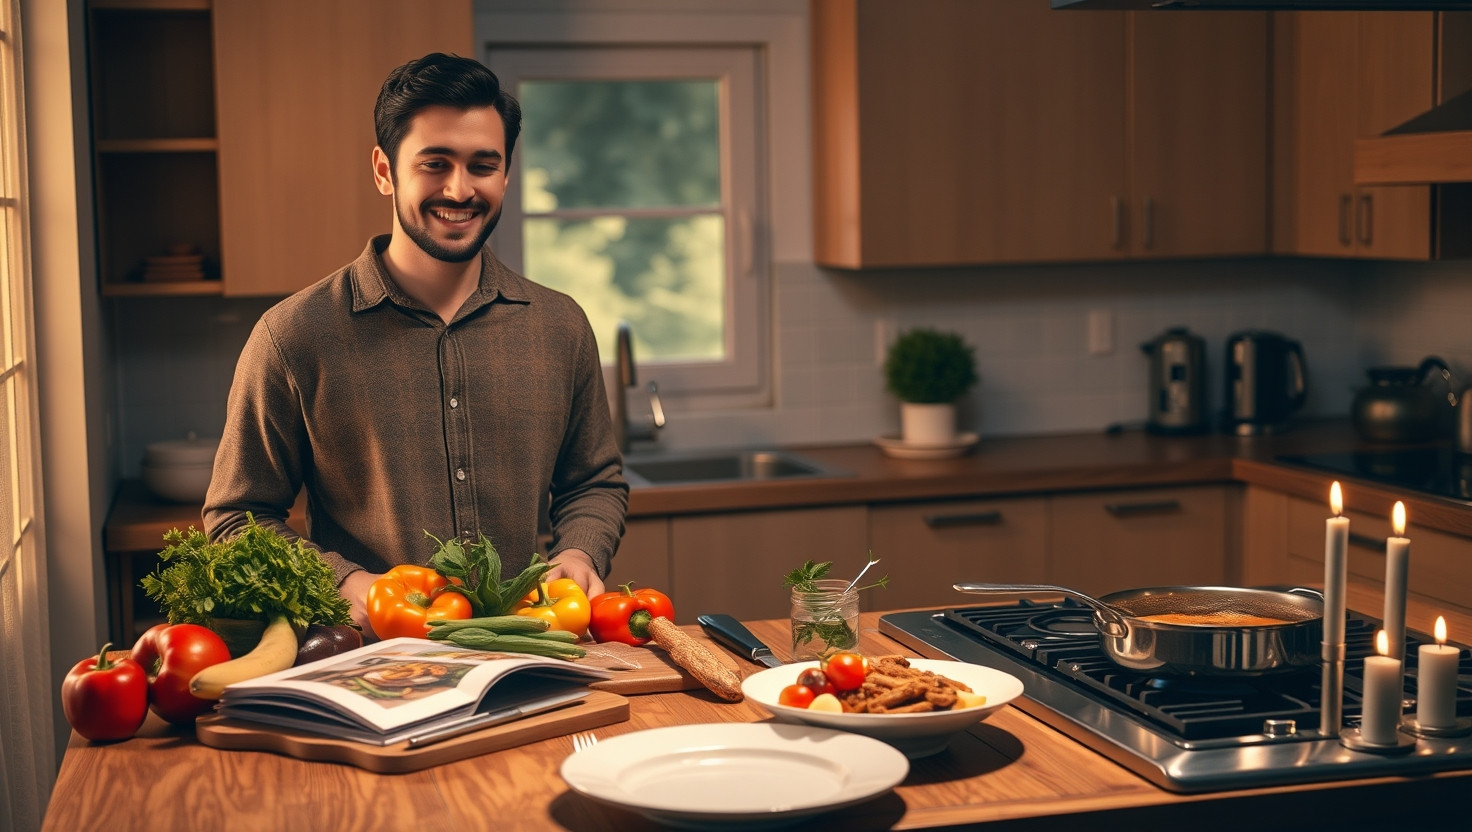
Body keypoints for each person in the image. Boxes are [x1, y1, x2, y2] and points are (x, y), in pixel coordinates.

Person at [204, 52, 628, 638]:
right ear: (384, 170)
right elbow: (236, 518)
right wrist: (342, 581)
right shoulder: (293, 336)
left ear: (506, 174)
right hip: (371, 664)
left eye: (484, 164)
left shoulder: (560, 327)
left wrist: (580, 553)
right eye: (435, 163)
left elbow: (593, 484)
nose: (460, 188)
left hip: (531, 656)